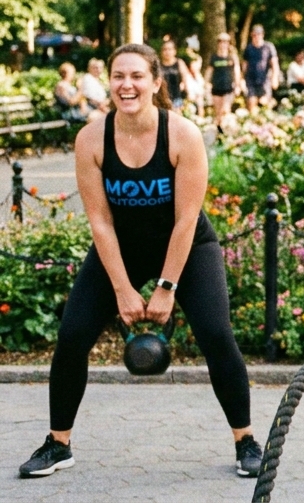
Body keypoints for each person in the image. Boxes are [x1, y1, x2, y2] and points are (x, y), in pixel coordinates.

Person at [18, 44, 262, 479]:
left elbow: (186, 220)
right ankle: (58, 444)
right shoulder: (92, 138)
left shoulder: (182, 134)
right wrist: (123, 289)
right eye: (118, 76)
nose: (126, 85)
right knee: (72, 335)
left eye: (136, 76)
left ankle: (245, 440)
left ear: (155, 82)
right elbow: (100, 222)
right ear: (108, 82)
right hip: (121, 250)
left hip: (187, 249)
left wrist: (166, 288)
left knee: (215, 334)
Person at [206, 33, 242, 127]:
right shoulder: (214, 57)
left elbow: (237, 71)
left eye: (225, 42)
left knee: (225, 111)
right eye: (221, 42)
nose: (223, 44)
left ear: (229, 43)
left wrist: (238, 85)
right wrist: (206, 84)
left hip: (228, 88)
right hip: (216, 87)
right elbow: (209, 71)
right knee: (218, 113)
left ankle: (227, 130)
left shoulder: (232, 57)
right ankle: (219, 134)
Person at [242, 25, 279, 111]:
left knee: (265, 104)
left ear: (262, 35)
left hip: (264, 80)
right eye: (254, 35)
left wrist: (275, 78)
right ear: (251, 35)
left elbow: (274, 64)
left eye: (258, 34)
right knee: (251, 103)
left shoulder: (269, 47)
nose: (256, 37)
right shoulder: (248, 48)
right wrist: (242, 79)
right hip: (250, 80)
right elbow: (244, 65)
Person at [158, 39, 193, 110]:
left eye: (170, 49)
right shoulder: (158, 65)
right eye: (165, 49)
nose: (167, 52)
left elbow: (185, 79)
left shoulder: (179, 63)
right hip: (162, 99)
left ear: (174, 51)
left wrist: (188, 93)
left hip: (177, 97)